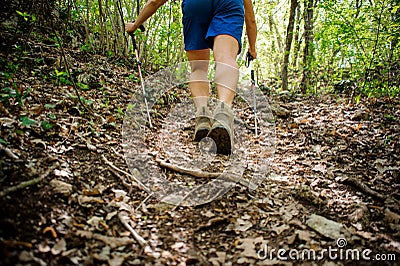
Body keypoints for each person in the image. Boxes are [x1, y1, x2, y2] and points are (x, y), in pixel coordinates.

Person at [126, 0, 257, 155]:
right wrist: (252, 48)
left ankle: (202, 115)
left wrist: (135, 24)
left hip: (196, 4)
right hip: (228, 4)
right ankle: (223, 112)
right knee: (226, 57)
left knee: (198, 67)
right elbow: (250, 18)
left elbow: (155, 1)